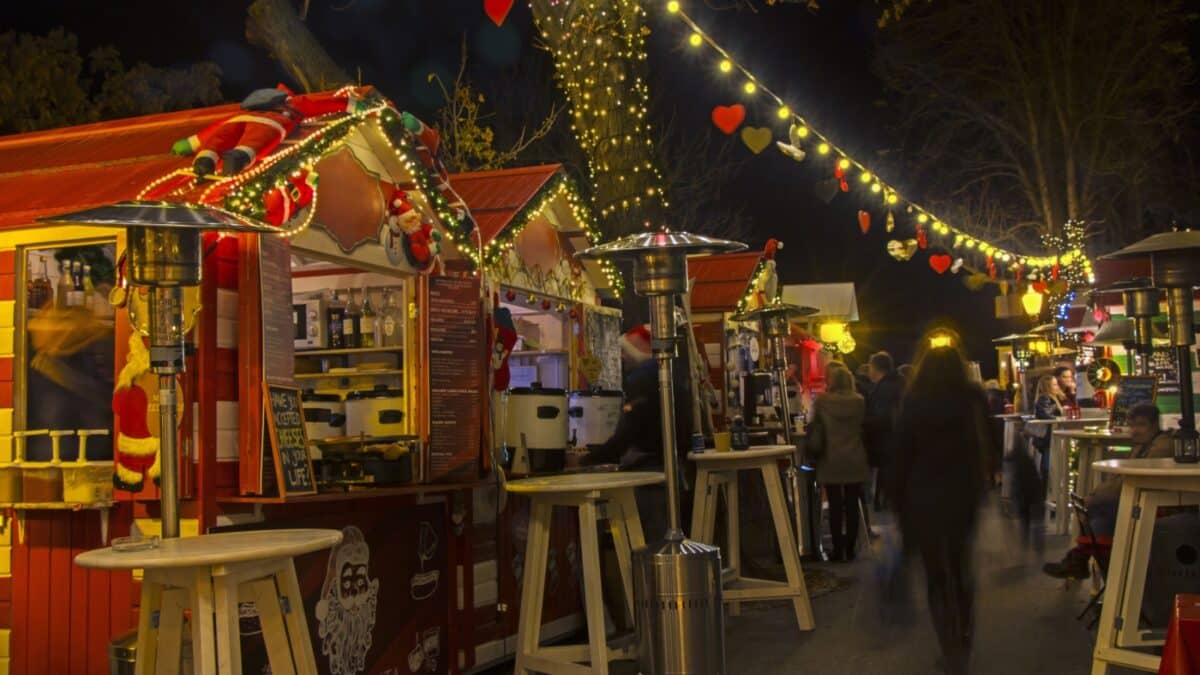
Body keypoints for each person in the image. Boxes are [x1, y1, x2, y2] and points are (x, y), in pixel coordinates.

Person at [890, 342, 990, 675]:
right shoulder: (972, 398)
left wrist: (897, 500)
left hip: (924, 495)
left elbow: (901, 455)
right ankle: (965, 634)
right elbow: (988, 438)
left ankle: (949, 646)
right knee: (960, 565)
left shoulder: (914, 401)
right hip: (964, 492)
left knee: (936, 574)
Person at [1042, 404, 1173, 579]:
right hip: (1137, 500)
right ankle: (1107, 578)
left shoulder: (1161, 447)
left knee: (1098, 514)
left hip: (1151, 506)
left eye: (1141, 425)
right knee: (1099, 518)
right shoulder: (1144, 445)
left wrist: (1091, 499)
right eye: (1132, 425)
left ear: (1155, 424)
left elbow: (1127, 481)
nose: (1134, 430)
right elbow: (1120, 479)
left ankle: (1090, 566)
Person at [810, 363, 869, 562]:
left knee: (835, 505)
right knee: (852, 504)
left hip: (831, 457)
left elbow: (814, 425)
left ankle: (837, 550)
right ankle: (851, 548)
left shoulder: (822, 401)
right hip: (854, 456)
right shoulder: (859, 401)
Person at [865, 351, 904, 510]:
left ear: (875, 369)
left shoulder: (885, 388)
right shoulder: (900, 383)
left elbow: (883, 417)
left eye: (870, 368)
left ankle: (884, 502)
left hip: (887, 440)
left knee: (886, 472)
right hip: (898, 439)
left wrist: (864, 422)